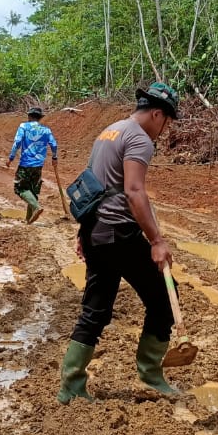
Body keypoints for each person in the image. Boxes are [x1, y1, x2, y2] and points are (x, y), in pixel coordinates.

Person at [58, 83, 182, 404]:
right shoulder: (139, 139)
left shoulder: (110, 131)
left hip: (97, 232)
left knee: (95, 311)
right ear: (157, 114)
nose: (163, 130)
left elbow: (91, 184)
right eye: (166, 122)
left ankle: (71, 386)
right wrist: (156, 240)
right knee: (165, 298)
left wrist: (84, 233)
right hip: (118, 233)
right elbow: (134, 191)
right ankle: (151, 373)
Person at [6, 107, 58, 223]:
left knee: (20, 188)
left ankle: (36, 207)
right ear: (40, 118)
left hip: (26, 164)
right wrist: (54, 157)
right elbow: (54, 144)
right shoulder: (46, 130)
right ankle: (29, 220)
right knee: (32, 191)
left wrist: (11, 158)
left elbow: (17, 143)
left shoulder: (23, 126)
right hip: (38, 165)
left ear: (29, 116)